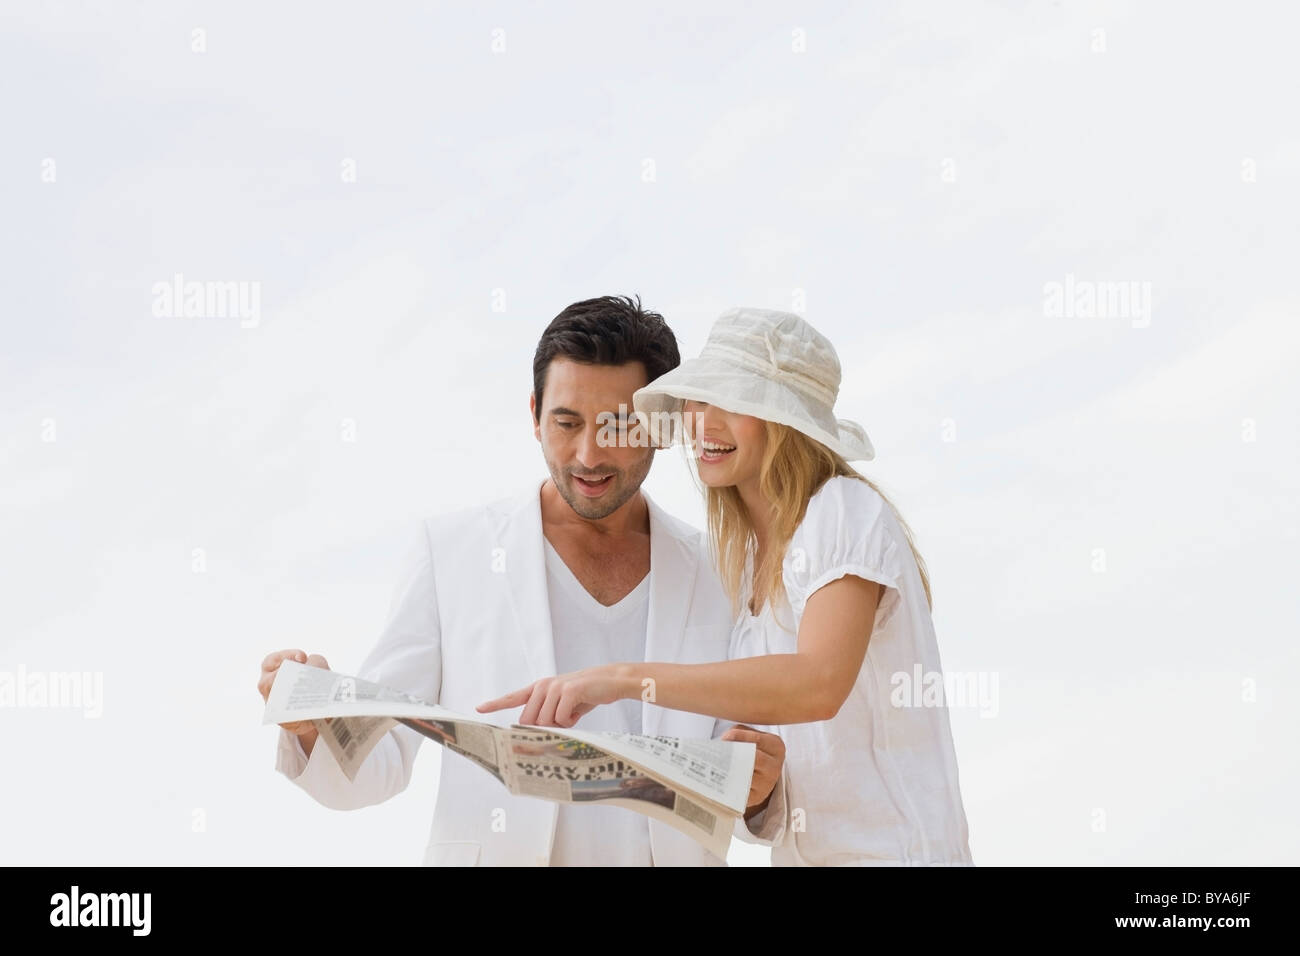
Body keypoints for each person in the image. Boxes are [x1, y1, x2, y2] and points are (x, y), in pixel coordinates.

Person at [257, 296, 789, 866]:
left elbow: (752, 779)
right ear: (534, 414)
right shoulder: (450, 553)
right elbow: (376, 765)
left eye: (619, 426)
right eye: (566, 423)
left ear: (662, 428)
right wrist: (313, 726)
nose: (589, 454)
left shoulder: (727, 572)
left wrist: (760, 794)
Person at [479, 307, 974, 866]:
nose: (705, 423)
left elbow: (818, 682)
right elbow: (784, 791)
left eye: (736, 403)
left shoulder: (842, 509)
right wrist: (753, 782)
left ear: (786, 421)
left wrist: (617, 680)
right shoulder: (741, 573)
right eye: (698, 400)